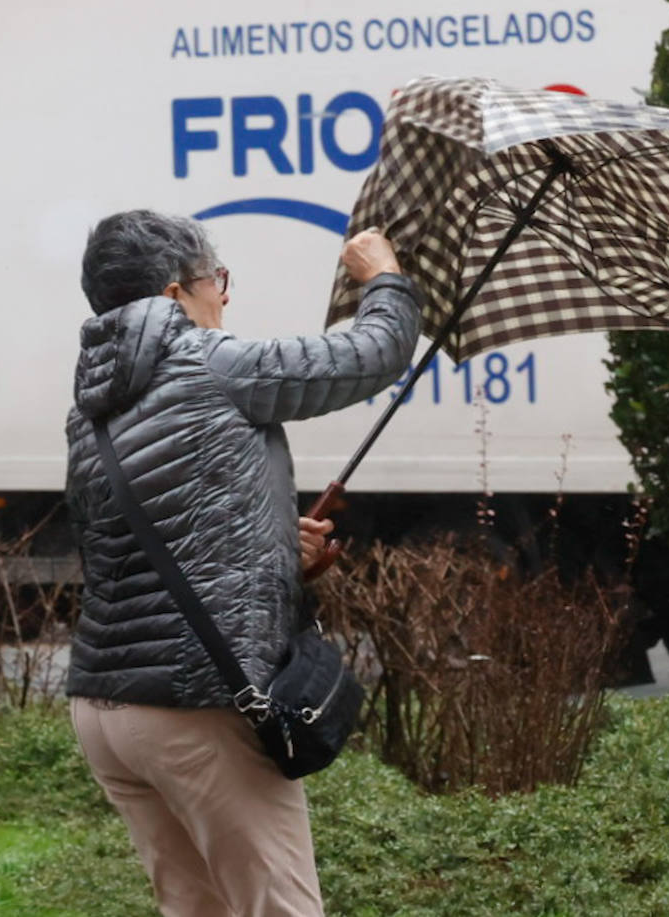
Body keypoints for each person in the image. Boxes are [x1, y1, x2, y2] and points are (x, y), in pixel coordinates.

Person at [64, 209, 421, 916]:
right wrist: (386, 279)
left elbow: (147, 547)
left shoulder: (91, 405)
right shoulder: (210, 362)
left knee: (198, 909)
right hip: (195, 704)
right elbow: (373, 354)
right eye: (214, 282)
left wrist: (278, 552)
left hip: (106, 707)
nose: (223, 299)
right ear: (174, 295)